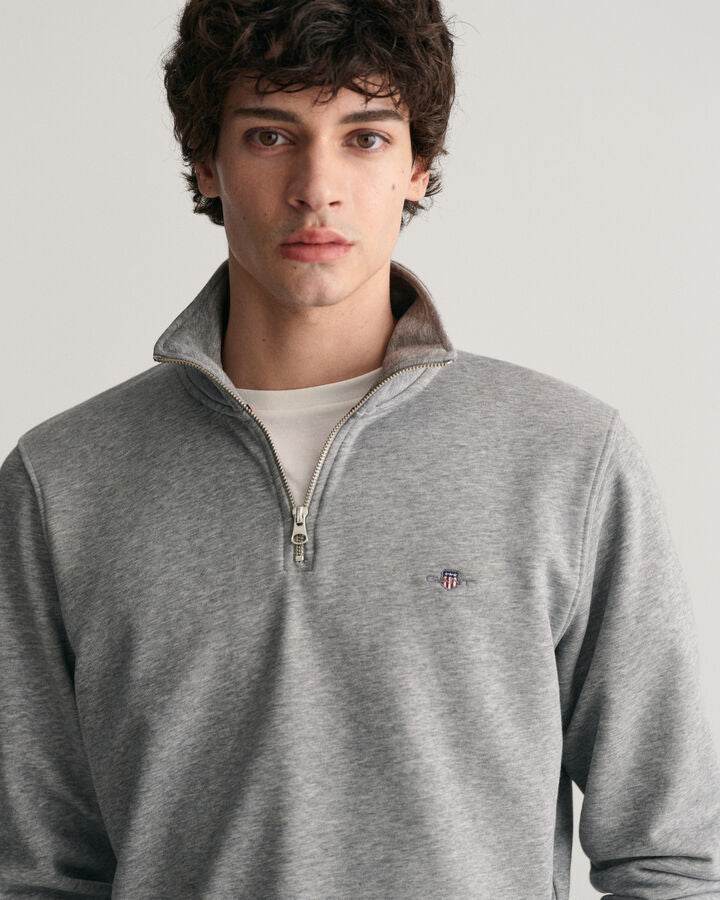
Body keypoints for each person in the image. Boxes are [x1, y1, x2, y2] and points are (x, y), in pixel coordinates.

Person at [1, 1, 719, 897]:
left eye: (366, 138)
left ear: (419, 166)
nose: (317, 187)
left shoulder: (567, 458)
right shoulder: (63, 481)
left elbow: (669, 855)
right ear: (206, 161)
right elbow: (37, 872)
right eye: (270, 136)